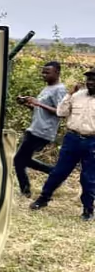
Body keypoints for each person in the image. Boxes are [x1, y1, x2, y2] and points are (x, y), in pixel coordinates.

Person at [30, 69, 95, 221]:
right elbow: (61, 112)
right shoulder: (77, 96)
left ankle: (88, 210)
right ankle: (43, 199)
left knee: (88, 178)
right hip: (72, 139)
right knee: (59, 172)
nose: (90, 82)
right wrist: (69, 94)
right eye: (89, 79)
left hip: (92, 142)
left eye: (93, 80)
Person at [13, 61, 68, 196]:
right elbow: (40, 109)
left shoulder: (59, 89)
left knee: (19, 160)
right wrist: (27, 103)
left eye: (47, 72)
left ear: (57, 73)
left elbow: (60, 112)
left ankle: (26, 191)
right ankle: (54, 173)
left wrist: (38, 103)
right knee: (22, 159)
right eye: (43, 72)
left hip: (43, 131)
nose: (43, 75)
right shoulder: (47, 88)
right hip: (35, 128)